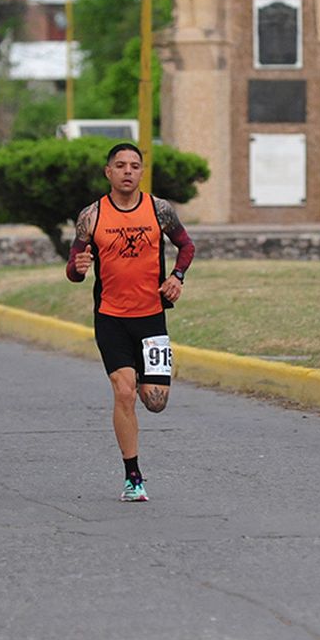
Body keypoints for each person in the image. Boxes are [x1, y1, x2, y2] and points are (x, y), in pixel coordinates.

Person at [66, 143, 196, 502]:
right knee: (124, 393)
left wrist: (178, 277)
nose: (127, 171)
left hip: (151, 317)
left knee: (154, 402)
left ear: (141, 172)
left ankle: (140, 374)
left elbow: (186, 246)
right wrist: (77, 270)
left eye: (134, 165)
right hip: (111, 318)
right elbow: (74, 267)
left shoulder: (160, 210)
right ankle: (133, 477)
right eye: (120, 165)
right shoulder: (92, 216)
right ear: (108, 172)